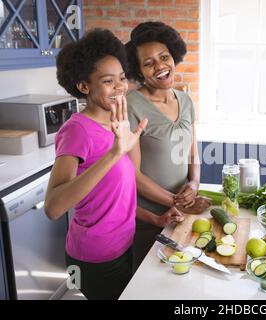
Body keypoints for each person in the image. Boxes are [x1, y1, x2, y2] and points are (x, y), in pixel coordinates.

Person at [43, 29, 182, 300]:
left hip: (122, 247)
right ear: (84, 86)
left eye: (121, 78)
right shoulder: (78, 130)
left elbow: (117, 199)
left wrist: (156, 218)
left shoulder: (117, 124)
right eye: (108, 81)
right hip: (92, 258)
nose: (120, 87)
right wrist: (115, 154)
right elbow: (53, 207)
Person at [125, 21, 211, 271]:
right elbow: (133, 174)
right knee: (148, 284)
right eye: (149, 63)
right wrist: (175, 200)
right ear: (139, 71)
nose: (160, 66)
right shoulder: (132, 105)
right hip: (149, 217)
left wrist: (193, 184)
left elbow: (193, 152)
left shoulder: (185, 99)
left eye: (164, 57)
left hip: (183, 213)